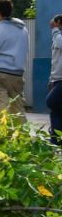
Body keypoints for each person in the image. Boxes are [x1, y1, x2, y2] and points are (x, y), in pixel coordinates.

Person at [48, 13, 62, 146]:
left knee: (51, 102)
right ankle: (55, 138)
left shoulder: (58, 37)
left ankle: (56, 137)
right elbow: (55, 61)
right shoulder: (57, 37)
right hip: (57, 79)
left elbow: (60, 42)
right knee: (56, 110)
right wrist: (51, 79)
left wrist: (54, 29)